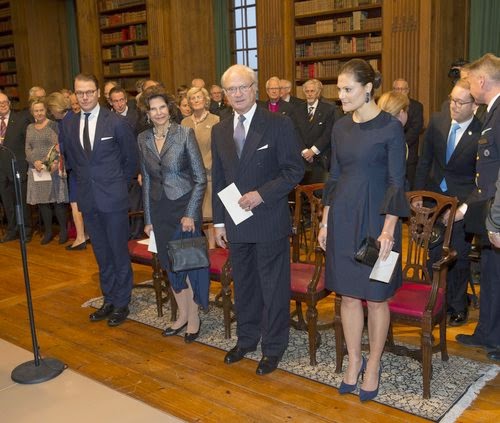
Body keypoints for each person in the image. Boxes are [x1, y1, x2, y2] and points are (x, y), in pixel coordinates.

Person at [318, 59, 409, 401]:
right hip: (343, 217)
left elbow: (396, 182)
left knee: (376, 297)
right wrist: (325, 221)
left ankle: (373, 365)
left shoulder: (390, 128)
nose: (340, 95)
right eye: (339, 89)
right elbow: (335, 176)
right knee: (348, 295)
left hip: (378, 221)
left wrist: (388, 230)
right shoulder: (340, 127)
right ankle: (354, 361)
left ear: (368, 89)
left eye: (347, 89)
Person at [212, 64, 304, 375]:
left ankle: (273, 347)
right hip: (235, 221)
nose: (237, 94)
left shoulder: (278, 124)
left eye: (242, 87)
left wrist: (261, 194)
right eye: (231, 90)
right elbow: (220, 179)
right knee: (246, 284)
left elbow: (294, 171)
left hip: (267, 218)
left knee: (272, 286)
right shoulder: (219, 129)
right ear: (225, 95)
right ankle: (247, 339)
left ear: (254, 89)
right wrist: (219, 222)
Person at [59, 73, 138, 327]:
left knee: (118, 252)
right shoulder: (68, 124)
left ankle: (122, 302)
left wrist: (117, 187)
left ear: (97, 93)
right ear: (74, 94)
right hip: (88, 200)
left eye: (89, 92)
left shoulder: (115, 122)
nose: (84, 97)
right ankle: (109, 298)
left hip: (113, 199)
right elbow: (72, 161)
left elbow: (130, 161)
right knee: (102, 254)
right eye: (79, 92)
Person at [138, 86, 208, 342]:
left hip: (183, 209)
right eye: (152, 108)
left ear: (170, 108)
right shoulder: (143, 139)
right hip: (159, 210)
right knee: (169, 266)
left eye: (162, 107)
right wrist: (147, 219)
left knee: (186, 265)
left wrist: (191, 213)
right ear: (147, 112)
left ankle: (194, 317)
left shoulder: (184, 133)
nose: (158, 113)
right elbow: (146, 180)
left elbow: (201, 179)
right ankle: (181, 315)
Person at [413, 79, 481, 326]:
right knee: (433, 252)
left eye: (460, 102)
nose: (453, 106)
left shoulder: (482, 131)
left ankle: (457, 306)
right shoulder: (438, 121)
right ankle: (433, 302)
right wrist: (419, 193)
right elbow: (425, 159)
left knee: (458, 256)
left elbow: (480, 179)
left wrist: (463, 207)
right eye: (452, 99)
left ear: (474, 106)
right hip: (433, 197)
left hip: (462, 203)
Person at [455, 53, 500, 362]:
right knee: (490, 271)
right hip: (487, 210)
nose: (468, 86)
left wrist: (497, 222)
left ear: (482, 80)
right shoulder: (491, 112)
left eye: (469, 80)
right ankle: (487, 331)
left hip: (497, 213)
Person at [46, 91, 89, 250]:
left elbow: (71, 144)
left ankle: (80, 238)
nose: (50, 113)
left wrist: (59, 148)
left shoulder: (66, 121)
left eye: (51, 109)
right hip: (80, 167)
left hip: (76, 168)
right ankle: (85, 234)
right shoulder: (74, 117)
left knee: (75, 203)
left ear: (56, 108)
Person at [25, 97, 69, 245]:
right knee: (43, 203)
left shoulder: (54, 125)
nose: (39, 113)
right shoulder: (30, 128)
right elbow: (27, 148)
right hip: (37, 170)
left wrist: (51, 162)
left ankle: (63, 231)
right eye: (36, 111)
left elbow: (58, 146)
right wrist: (34, 161)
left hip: (52, 169)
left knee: (57, 201)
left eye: (41, 110)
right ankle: (48, 232)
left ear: (46, 111)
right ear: (32, 112)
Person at [181, 86, 219, 247]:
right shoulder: (184, 122)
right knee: (193, 214)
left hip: (208, 174)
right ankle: (196, 251)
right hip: (190, 176)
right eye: (192, 98)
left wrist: (205, 166)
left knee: (209, 215)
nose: (196, 101)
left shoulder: (215, 120)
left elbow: (217, 148)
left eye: (198, 97)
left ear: (205, 100)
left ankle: (212, 248)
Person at [0, 92, 32, 243]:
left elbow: (29, 143)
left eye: (5, 102)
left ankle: (25, 230)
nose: (3, 105)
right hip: (1, 172)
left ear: (9, 103)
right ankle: (12, 230)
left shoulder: (21, 119)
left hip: (17, 167)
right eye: (0, 103)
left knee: (21, 202)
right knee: (8, 203)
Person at [295, 78, 337, 183]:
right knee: (302, 194)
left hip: (321, 158)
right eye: (307, 91)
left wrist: (313, 151)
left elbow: (328, 133)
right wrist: (305, 151)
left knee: (319, 193)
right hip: (302, 159)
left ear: (318, 92)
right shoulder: (297, 110)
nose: (309, 94)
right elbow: (294, 133)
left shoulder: (328, 109)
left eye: (312, 91)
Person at [392, 78, 424, 189]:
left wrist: (399, 144)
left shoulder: (417, 106)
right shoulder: (388, 107)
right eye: (397, 89)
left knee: (409, 188)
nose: (400, 92)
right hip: (390, 155)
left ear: (408, 90)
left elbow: (416, 129)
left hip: (409, 155)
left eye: (403, 89)